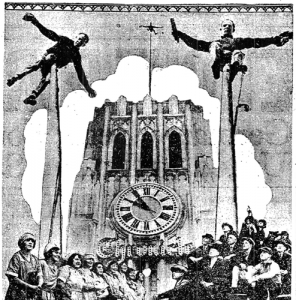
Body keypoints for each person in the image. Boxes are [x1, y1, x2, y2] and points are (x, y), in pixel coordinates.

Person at [7, 13, 96, 105]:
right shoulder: (65, 40)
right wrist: (35, 21)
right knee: (38, 64)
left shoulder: (76, 55)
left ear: (84, 45)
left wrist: (88, 88)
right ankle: (16, 77)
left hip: (53, 66)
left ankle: (32, 96)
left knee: (47, 79)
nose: (79, 41)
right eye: (79, 38)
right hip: (49, 58)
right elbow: (49, 34)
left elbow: (80, 73)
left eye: (82, 41)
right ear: (76, 37)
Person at [171, 18, 291, 80]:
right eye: (224, 25)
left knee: (238, 52)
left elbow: (257, 42)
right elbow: (195, 44)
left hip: (232, 62)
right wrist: (180, 34)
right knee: (214, 45)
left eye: (229, 26)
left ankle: (235, 67)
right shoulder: (216, 42)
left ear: (233, 29)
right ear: (220, 29)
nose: (227, 27)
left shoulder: (237, 41)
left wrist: (275, 40)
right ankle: (215, 64)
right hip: (219, 59)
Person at [5, 233, 43, 300]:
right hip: (17, 293)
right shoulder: (17, 257)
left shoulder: (35, 259)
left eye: (32, 241)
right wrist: (30, 286)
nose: (30, 242)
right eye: (28, 240)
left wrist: (39, 285)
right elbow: (13, 278)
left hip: (31, 294)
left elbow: (39, 275)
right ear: (22, 242)